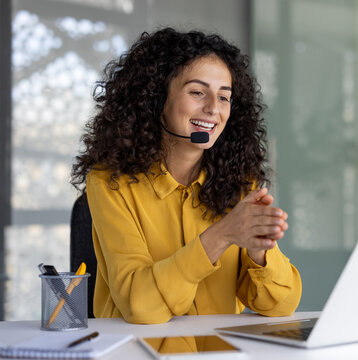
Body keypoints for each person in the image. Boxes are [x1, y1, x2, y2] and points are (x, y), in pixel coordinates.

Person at [71, 27, 302, 324]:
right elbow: (140, 306)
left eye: (224, 97)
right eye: (197, 92)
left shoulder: (241, 183)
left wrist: (260, 253)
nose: (212, 109)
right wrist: (221, 235)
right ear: (156, 98)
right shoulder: (109, 182)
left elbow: (280, 306)